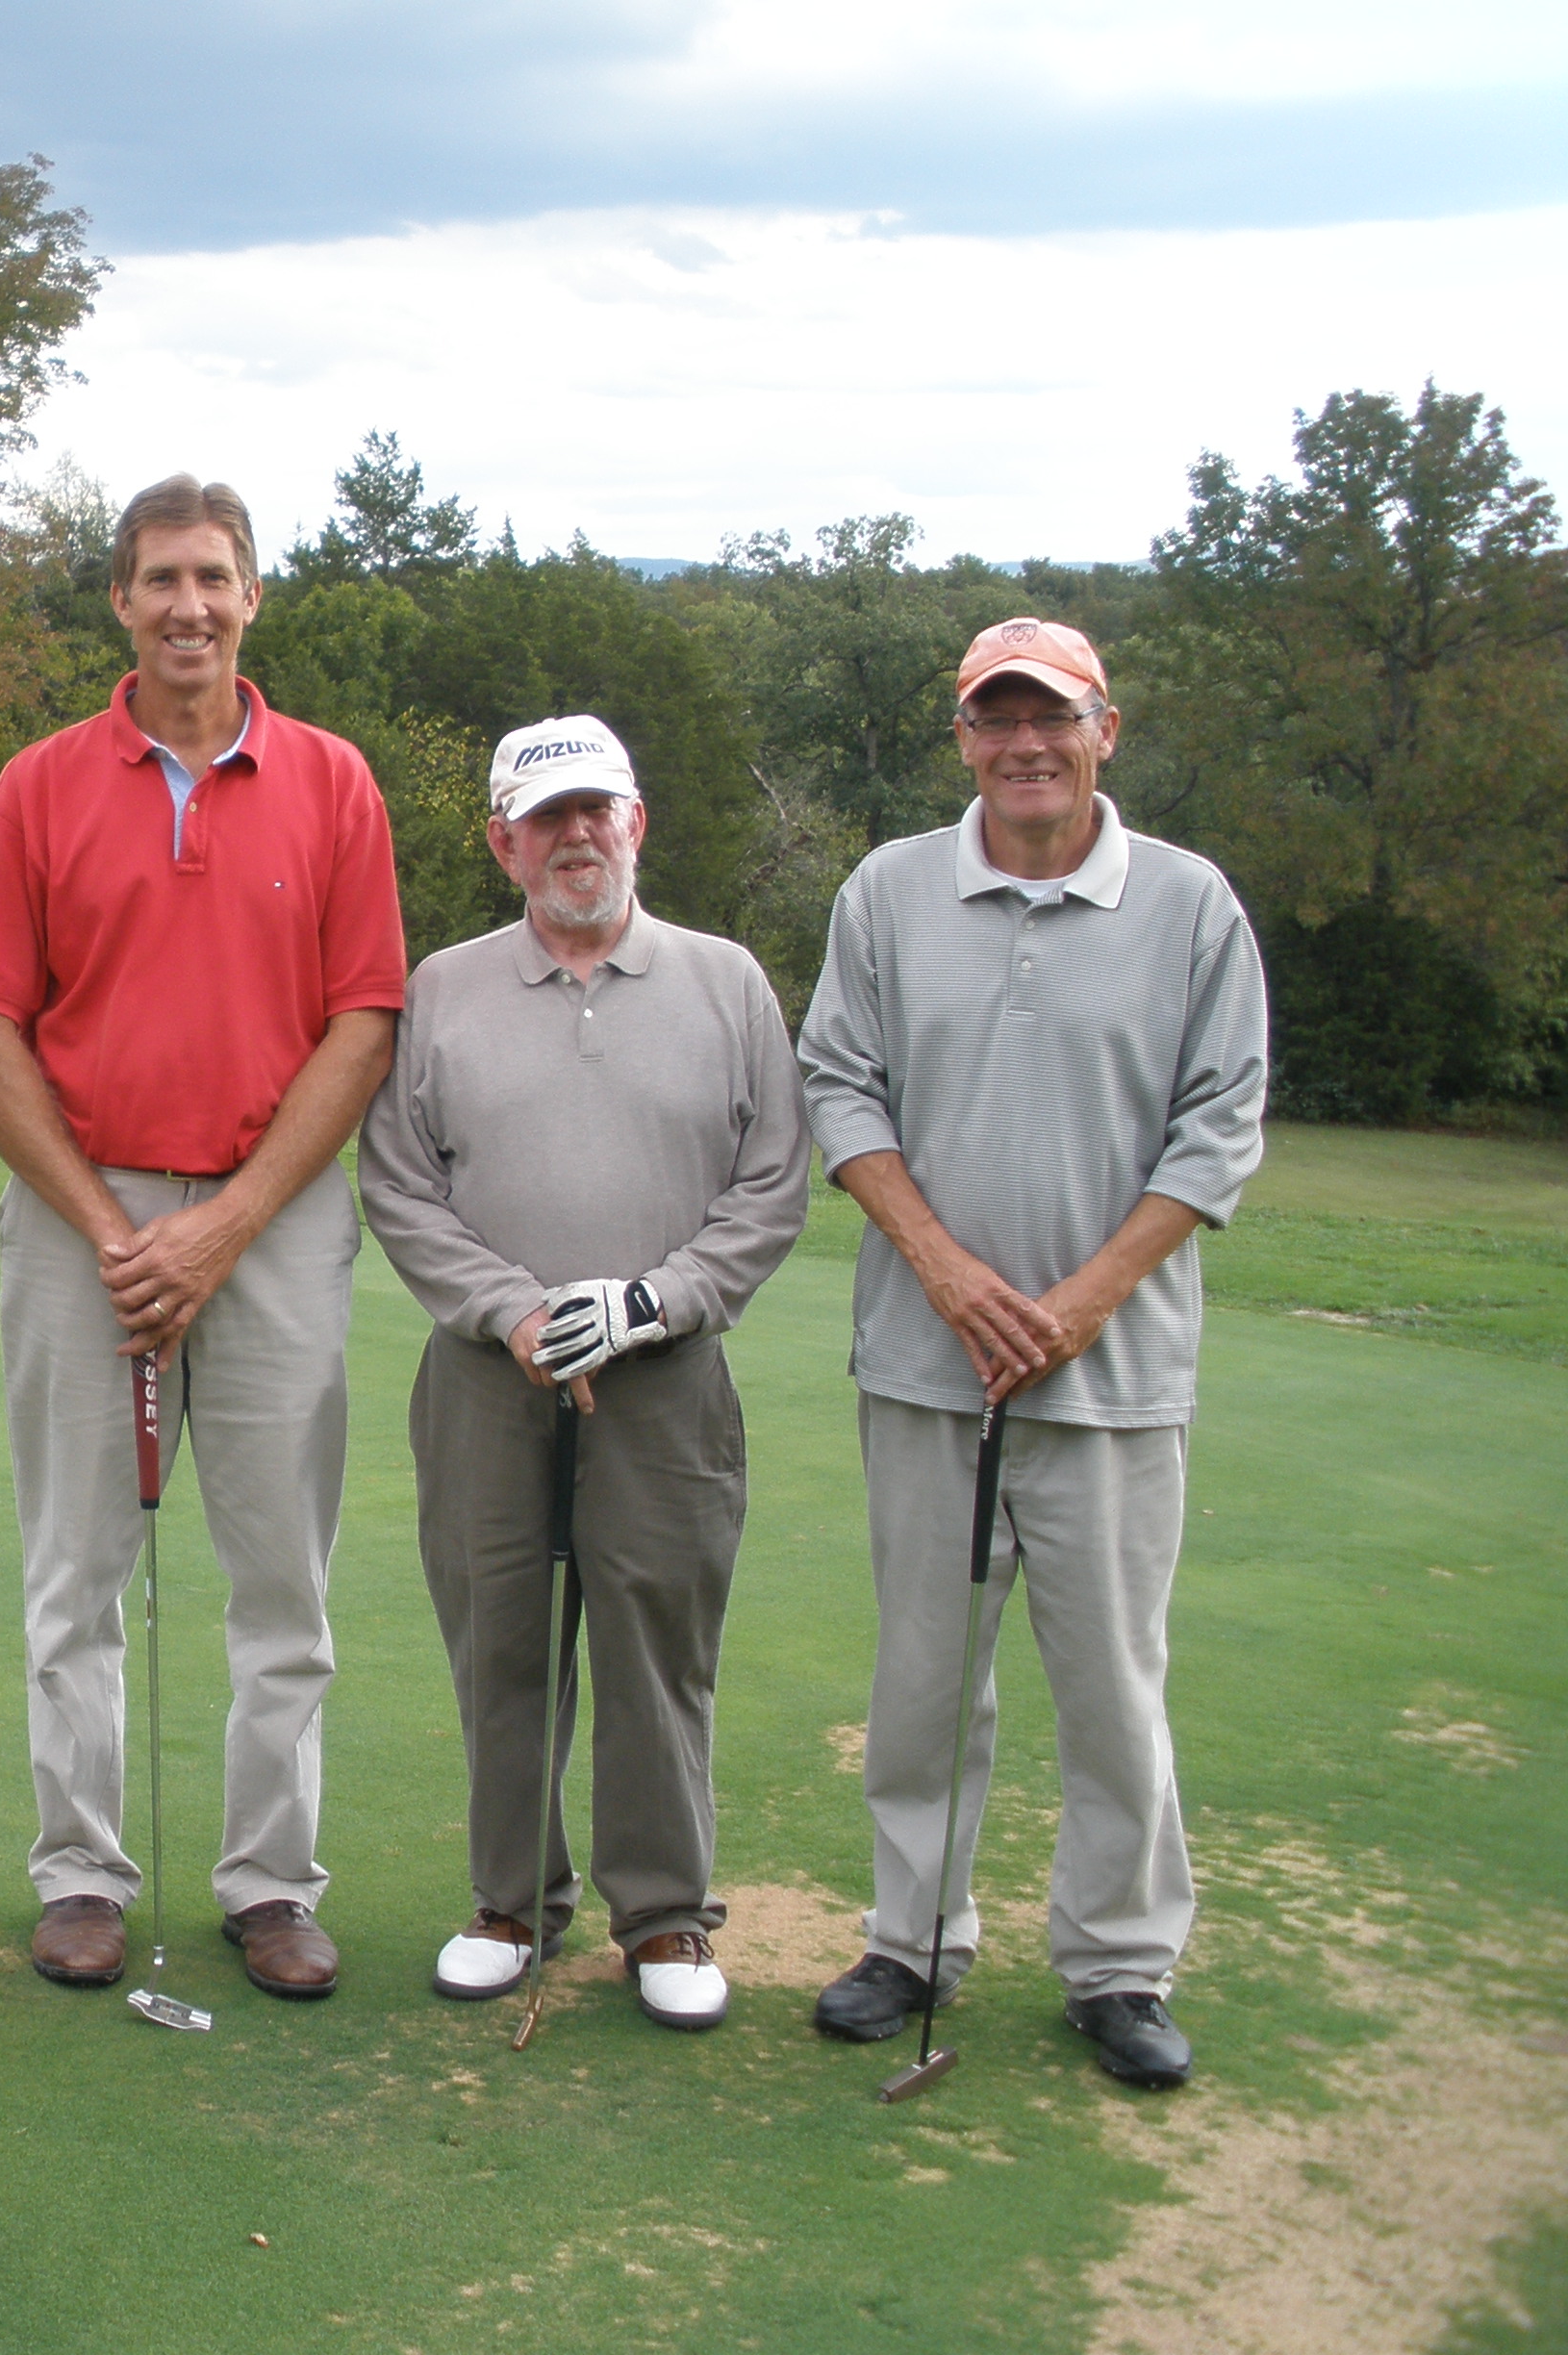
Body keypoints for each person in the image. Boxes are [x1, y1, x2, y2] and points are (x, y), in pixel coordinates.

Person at [0, 473, 407, 2001]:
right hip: (83, 1220)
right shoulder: (40, 785)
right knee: (76, 1571)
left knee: (283, 1578)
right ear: (122, 604)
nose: (187, 605)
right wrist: (107, 1225)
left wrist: (227, 1224)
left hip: (268, 1222)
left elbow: (362, 1022)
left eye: (214, 576)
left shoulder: (334, 781)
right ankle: (81, 1872)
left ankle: (272, 1885)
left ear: (254, 596)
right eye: (159, 580)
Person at [798, 616, 1267, 2089]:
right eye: (995, 719)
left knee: (1113, 1688)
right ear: (963, 741)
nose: (1025, 743)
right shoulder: (888, 890)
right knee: (929, 1680)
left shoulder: (1191, 906)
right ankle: (913, 1937)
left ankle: (1120, 1965)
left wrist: (1080, 1302)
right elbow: (838, 1085)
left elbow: (1220, 1127)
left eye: (1050, 716)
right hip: (924, 1365)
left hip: (1112, 1380)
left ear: (1103, 728)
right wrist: (944, 1272)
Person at [360, 716, 806, 2030]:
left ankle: (666, 1918)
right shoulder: (442, 986)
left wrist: (656, 1302)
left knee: (658, 1648)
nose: (576, 836)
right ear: (504, 842)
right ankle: (510, 1902)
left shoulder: (727, 984)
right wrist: (510, 1311)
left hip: (666, 1379)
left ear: (637, 822)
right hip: (488, 1376)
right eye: (546, 818)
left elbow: (772, 1186)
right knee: (501, 1643)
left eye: (596, 810)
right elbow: (400, 1184)